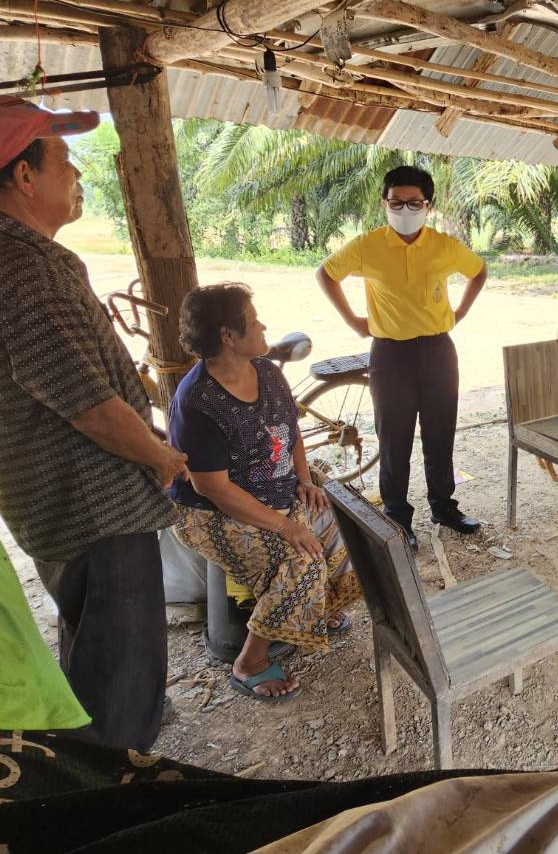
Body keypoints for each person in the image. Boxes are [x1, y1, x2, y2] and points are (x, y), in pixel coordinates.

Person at [0, 95, 187, 752]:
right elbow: (90, 408)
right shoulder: (24, 271)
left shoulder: (6, 253)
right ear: (24, 177)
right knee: (124, 666)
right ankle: (110, 794)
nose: (76, 171)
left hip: (61, 496)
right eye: (63, 158)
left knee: (95, 644)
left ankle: (91, 747)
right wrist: (162, 458)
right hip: (93, 503)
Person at [167, 283, 361, 701]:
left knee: (346, 521)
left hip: (280, 491)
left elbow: (290, 436)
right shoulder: (197, 401)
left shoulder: (268, 374)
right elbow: (213, 488)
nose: (263, 326)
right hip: (214, 513)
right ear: (228, 336)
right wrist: (285, 526)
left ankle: (318, 612)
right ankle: (248, 662)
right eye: (254, 322)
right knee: (301, 559)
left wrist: (306, 482)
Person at [316, 165, 486, 551]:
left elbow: (478, 272)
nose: (405, 210)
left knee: (440, 434)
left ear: (429, 206)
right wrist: (355, 322)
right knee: (394, 439)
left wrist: (459, 314)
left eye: (414, 203)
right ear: (384, 203)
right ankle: (396, 516)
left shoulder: (444, 246)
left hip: (439, 351)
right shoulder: (366, 246)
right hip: (390, 354)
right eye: (396, 202)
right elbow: (326, 274)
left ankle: (445, 508)